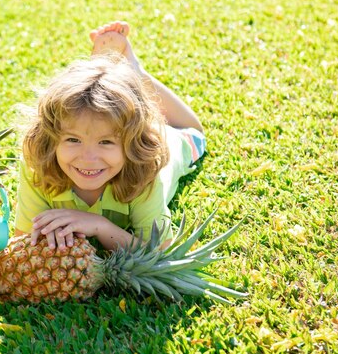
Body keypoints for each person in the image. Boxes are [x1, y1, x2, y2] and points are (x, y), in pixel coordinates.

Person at [14, 21, 206, 251]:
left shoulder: (146, 169)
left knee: (195, 133)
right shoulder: (38, 164)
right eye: (73, 140)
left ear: (133, 146)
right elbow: (22, 243)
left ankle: (135, 72)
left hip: (171, 140)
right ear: (49, 138)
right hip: (120, 126)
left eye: (105, 142)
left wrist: (100, 226)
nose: (88, 158)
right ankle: (108, 80)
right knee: (101, 116)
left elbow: (160, 253)